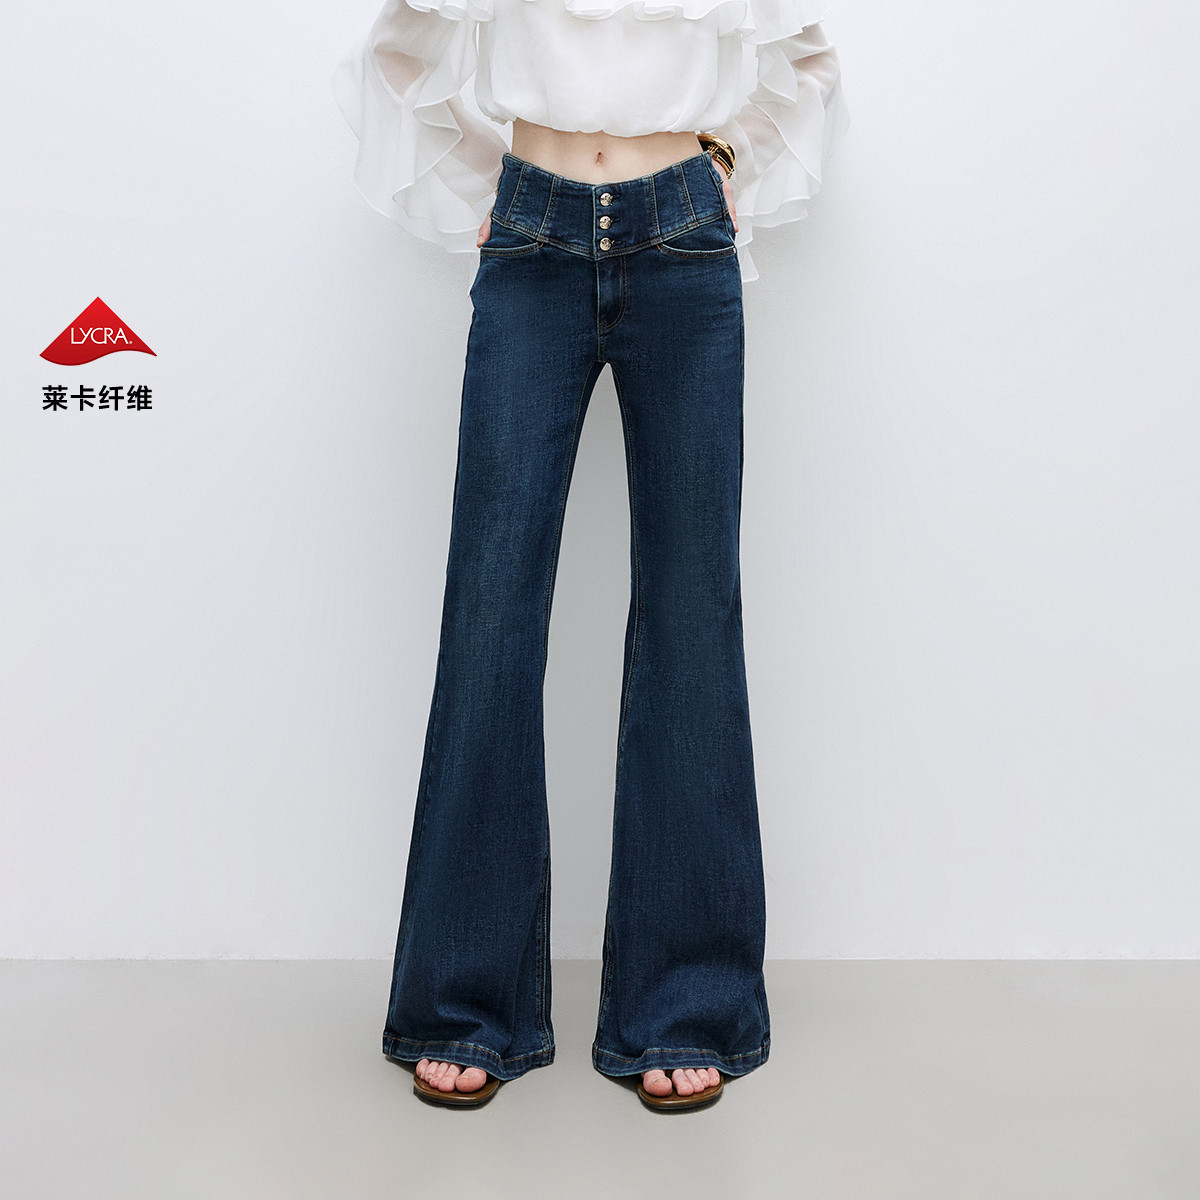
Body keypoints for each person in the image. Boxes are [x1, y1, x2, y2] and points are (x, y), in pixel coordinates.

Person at [332, 0, 849, 1111]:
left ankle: (685, 1005)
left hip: (684, 237)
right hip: (531, 236)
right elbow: (399, 48)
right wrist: (494, 190)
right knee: (491, 610)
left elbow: (806, 57)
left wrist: (727, 163)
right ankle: (466, 1003)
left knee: (692, 616)